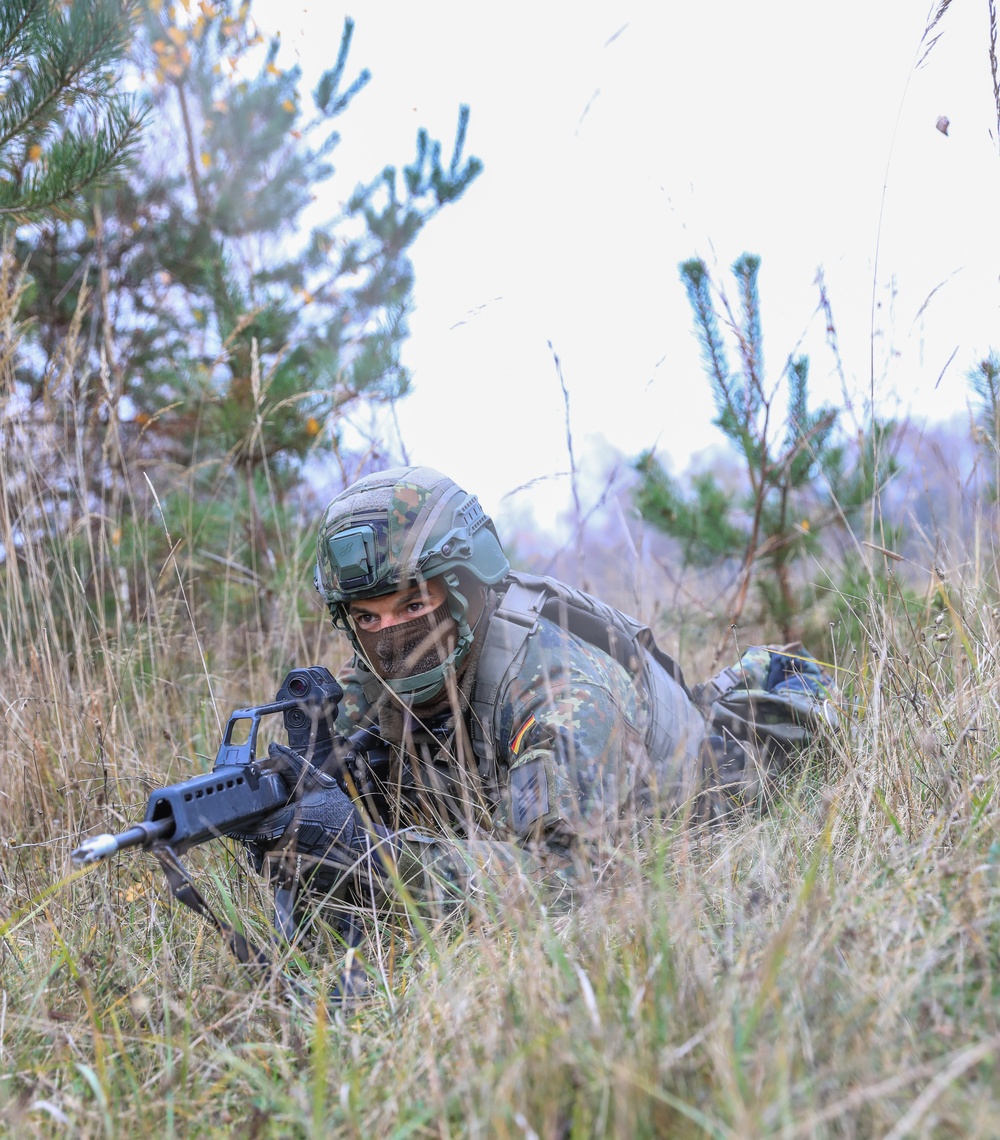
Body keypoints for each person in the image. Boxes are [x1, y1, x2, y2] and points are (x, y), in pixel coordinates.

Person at [232, 466, 755, 921]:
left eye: (414, 607)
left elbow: (568, 883)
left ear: (464, 591)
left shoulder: (562, 692)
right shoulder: (373, 684)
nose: (390, 637)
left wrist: (371, 859)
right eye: (368, 617)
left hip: (702, 818)